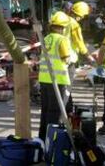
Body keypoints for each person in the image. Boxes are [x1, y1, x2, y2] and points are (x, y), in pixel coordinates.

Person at [38, 11, 71, 141]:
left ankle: (42, 138)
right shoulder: (62, 40)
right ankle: (51, 140)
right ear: (62, 27)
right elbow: (66, 59)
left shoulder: (46, 38)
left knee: (45, 110)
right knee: (54, 111)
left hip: (44, 78)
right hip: (58, 79)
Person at [63, 1, 95, 111]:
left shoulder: (63, 20)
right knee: (66, 87)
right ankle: (65, 112)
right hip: (68, 59)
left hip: (58, 60)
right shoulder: (74, 24)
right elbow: (79, 43)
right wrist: (89, 56)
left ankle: (68, 108)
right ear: (81, 15)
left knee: (63, 87)